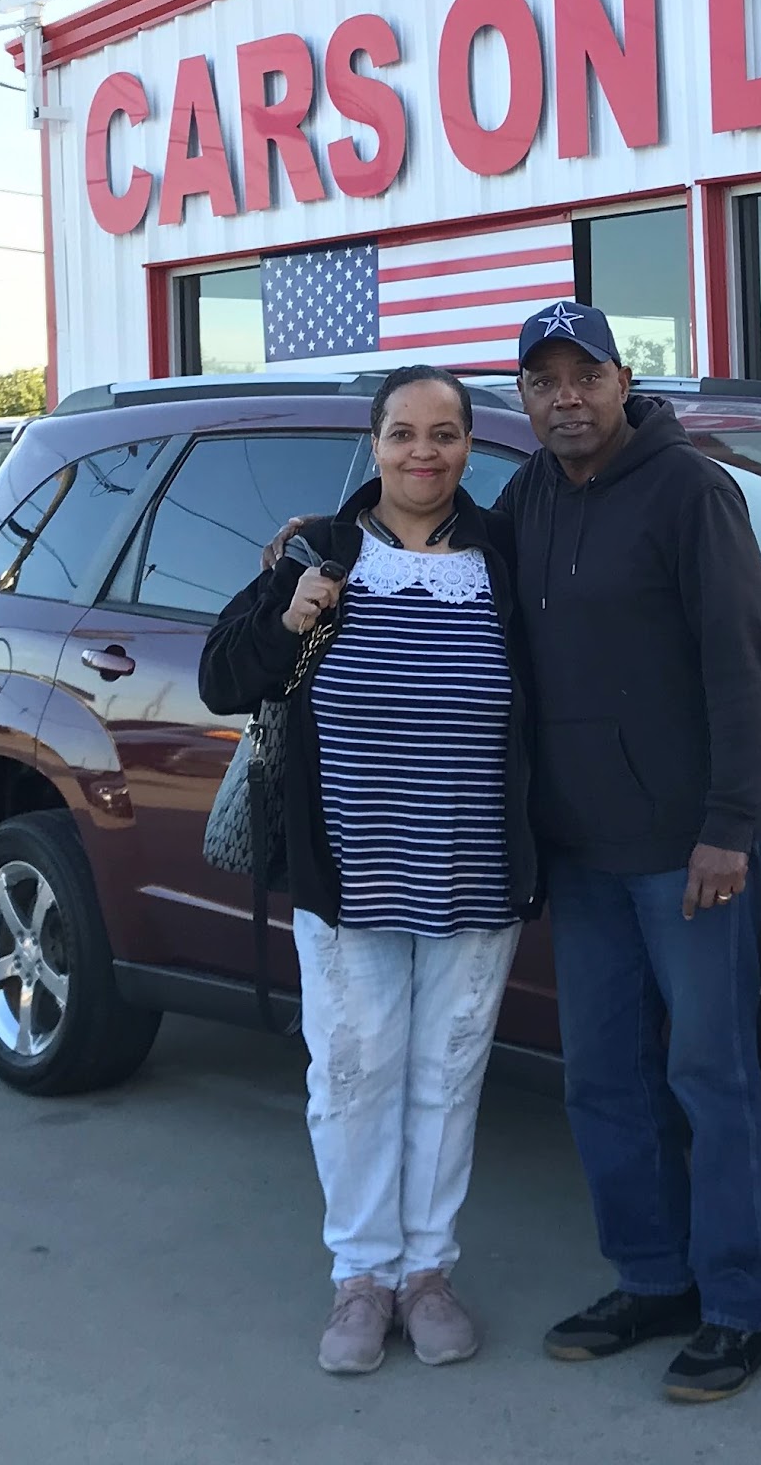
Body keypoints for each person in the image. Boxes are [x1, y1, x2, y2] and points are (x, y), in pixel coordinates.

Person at [202, 365, 536, 1376]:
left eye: (444, 433)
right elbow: (221, 677)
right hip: (349, 869)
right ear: (375, 442)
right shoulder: (322, 551)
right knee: (353, 1072)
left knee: (448, 1073)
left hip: (477, 869)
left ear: (469, 445)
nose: (422, 453)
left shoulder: (504, 559)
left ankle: (427, 1273)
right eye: (402, 433)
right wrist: (288, 616)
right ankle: (361, 1278)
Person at [507, 300, 761, 1403]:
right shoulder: (527, 497)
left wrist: (730, 826)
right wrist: (328, 537)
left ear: (624, 381)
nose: (566, 398)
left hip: (687, 853)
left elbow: (742, 670)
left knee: (710, 1079)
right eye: (544, 382)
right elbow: (422, 537)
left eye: (585, 375)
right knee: (604, 1082)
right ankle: (652, 1278)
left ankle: (739, 1307)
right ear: (523, 399)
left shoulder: (690, 494)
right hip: (579, 854)